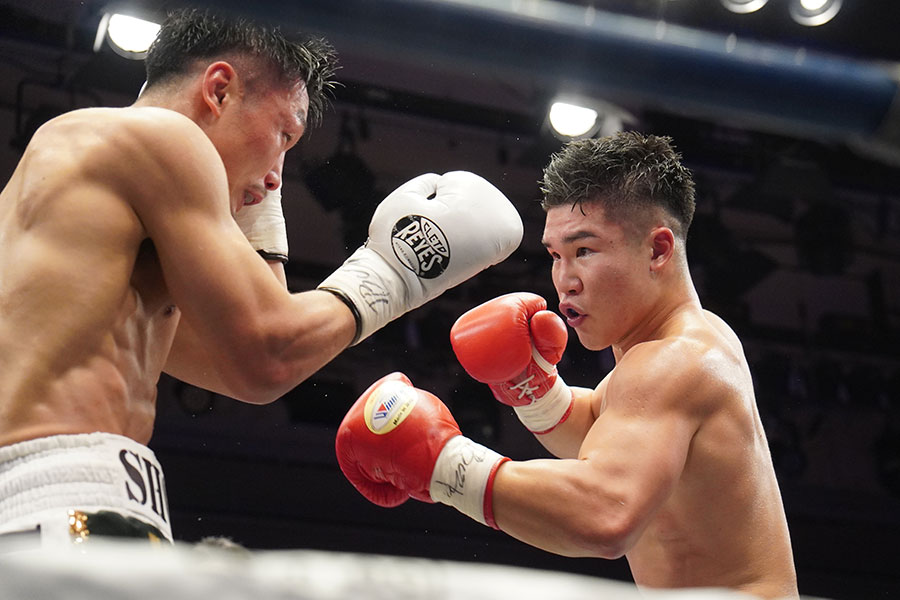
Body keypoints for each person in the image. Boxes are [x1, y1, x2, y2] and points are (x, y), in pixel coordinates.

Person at [0, 8, 522, 547]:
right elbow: (269, 351)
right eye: (284, 134)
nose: (278, 174)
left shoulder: (95, 232)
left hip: (65, 500)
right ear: (219, 90)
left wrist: (259, 204)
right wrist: (395, 271)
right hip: (61, 502)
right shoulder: (159, 137)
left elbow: (247, 370)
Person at [335, 132, 799, 599]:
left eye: (585, 251)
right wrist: (532, 389)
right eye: (556, 255)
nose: (565, 280)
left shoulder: (675, 360)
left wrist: (444, 464)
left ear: (658, 250)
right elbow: (599, 433)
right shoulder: (681, 349)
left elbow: (604, 514)